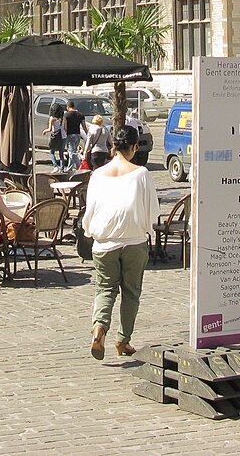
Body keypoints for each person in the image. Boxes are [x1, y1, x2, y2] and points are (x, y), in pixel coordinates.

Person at [82, 125, 159, 360]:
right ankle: (123, 340)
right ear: (134, 147)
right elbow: (152, 212)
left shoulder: (98, 174)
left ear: (113, 145)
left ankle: (99, 329)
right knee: (131, 292)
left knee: (105, 288)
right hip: (134, 240)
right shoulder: (141, 174)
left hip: (104, 242)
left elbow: (91, 209)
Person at [62, 102, 88, 174]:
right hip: (77, 135)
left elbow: (65, 127)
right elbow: (84, 126)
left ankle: (79, 165)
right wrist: (87, 134)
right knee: (73, 151)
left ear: (68, 107)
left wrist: (65, 135)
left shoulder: (66, 115)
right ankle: (69, 168)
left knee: (71, 152)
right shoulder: (80, 115)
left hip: (70, 135)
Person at [46, 103, 65, 170]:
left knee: (52, 152)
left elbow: (50, 129)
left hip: (55, 136)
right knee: (61, 153)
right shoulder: (63, 117)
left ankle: (55, 166)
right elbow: (65, 128)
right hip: (63, 136)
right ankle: (62, 169)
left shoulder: (52, 118)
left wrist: (45, 131)